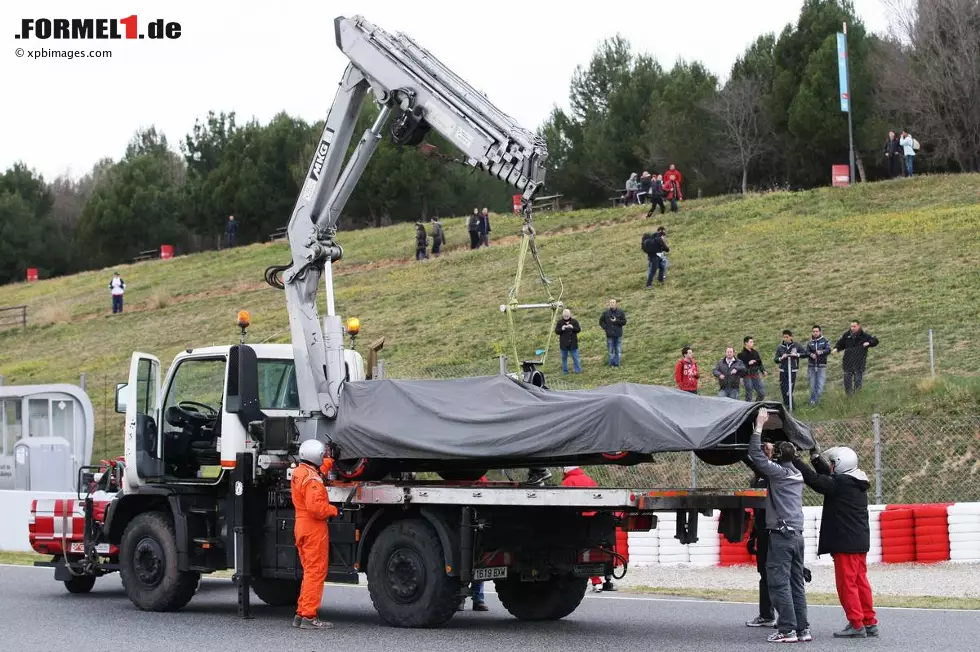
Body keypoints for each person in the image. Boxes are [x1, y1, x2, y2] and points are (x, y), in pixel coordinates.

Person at [792, 446, 878, 639]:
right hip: (858, 541)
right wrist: (815, 458)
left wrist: (796, 460)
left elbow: (816, 481)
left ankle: (856, 623)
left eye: (832, 463)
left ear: (839, 465)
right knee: (860, 582)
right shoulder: (855, 480)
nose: (830, 466)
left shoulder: (841, 484)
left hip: (845, 543)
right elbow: (828, 477)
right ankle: (869, 621)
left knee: (846, 584)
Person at [748, 409, 810, 643]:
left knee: (777, 581)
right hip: (796, 534)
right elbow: (776, 462)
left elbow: (755, 454)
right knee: (796, 583)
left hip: (782, 535)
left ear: (778, 458)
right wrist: (776, 453)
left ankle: (786, 629)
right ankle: (802, 629)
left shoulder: (779, 474)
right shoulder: (795, 474)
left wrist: (759, 425)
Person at [290, 439, 340, 629]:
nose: (323, 457)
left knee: (309, 572)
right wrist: (334, 510)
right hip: (314, 528)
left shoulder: (300, 472)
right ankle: (309, 617)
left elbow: (318, 472)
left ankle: (301, 613)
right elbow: (316, 508)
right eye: (322, 455)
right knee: (315, 573)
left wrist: (330, 460)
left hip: (301, 526)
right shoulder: (312, 480)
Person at [745, 441, 776, 629]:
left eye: (767, 449)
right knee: (764, 574)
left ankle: (786, 616)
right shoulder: (756, 478)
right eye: (762, 448)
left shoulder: (775, 474)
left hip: (775, 531)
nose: (764, 451)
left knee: (777, 574)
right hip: (762, 531)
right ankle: (766, 614)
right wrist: (753, 535)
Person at [560, 466, 606, 592]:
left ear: (565, 470)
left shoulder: (568, 482)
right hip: (593, 521)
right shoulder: (588, 479)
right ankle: (598, 582)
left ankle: (595, 582)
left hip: (576, 521)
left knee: (579, 553)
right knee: (592, 552)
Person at [831, 321, 879, 396]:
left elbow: (875, 341)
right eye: (851, 326)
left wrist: (869, 343)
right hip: (848, 361)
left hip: (859, 361)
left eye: (854, 326)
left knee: (857, 380)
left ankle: (858, 396)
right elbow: (841, 343)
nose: (852, 328)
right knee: (847, 380)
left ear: (859, 326)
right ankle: (849, 397)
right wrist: (836, 348)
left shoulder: (864, 335)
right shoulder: (846, 335)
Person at [774, 330, 805, 410]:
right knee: (784, 390)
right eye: (784, 337)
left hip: (792, 371)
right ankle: (788, 407)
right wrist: (781, 358)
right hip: (783, 371)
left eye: (787, 337)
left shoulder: (796, 345)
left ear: (791, 337)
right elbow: (775, 359)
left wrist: (797, 355)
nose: (785, 339)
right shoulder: (780, 347)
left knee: (789, 390)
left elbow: (805, 353)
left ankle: (791, 407)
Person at [804, 325, 832, 406]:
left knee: (820, 385)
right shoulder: (810, 342)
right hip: (811, 366)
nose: (815, 333)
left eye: (816, 331)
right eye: (814, 331)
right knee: (812, 385)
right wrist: (811, 354)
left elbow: (828, 350)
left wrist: (821, 352)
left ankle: (816, 401)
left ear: (820, 332)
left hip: (821, 366)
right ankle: (812, 402)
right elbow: (806, 352)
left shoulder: (825, 340)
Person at [599, 299, 627, 367]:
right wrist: (606, 328)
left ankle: (617, 364)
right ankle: (611, 364)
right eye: (610, 302)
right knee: (610, 351)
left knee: (618, 350)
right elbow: (601, 322)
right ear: (609, 304)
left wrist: (616, 321)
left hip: (618, 334)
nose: (612, 304)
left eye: (613, 302)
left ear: (616, 304)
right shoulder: (605, 313)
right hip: (610, 335)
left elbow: (624, 322)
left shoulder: (620, 312)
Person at [738, 336, 767, 401]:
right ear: (746, 343)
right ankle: (748, 409)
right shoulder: (741, 355)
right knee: (749, 394)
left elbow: (759, 363)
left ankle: (755, 406)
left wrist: (763, 371)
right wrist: (748, 363)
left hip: (756, 375)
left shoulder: (755, 352)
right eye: (751, 342)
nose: (753, 343)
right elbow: (740, 367)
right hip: (747, 376)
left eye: (752, 342)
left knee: (762, 393)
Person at [555, 308, 582, 374]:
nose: (566, 317)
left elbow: (578, 330)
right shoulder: (560, 322)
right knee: (564, 358)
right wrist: (562, 329)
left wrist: (573, 327)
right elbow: (556, 331)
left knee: (575, 357)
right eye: (565, 316)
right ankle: (565, 371)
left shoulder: (574, 321)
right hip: (563, 344)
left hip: (573, 343)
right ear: (562, 315)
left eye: (567, 316)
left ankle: (578, 370)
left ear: (570, 315)